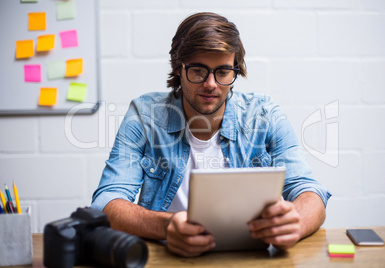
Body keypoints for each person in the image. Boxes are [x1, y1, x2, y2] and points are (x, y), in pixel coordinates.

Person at [91, 12, 331, 257]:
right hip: (167, 257)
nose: (211, 84)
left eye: (223, 72)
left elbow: (309, 191)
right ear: (178, 68)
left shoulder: (265, 115)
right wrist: (166, 226)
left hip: (247, 260)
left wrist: (294, 224)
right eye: (198, 70)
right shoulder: (144, 115)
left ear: (236, 71)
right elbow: (106, 202)